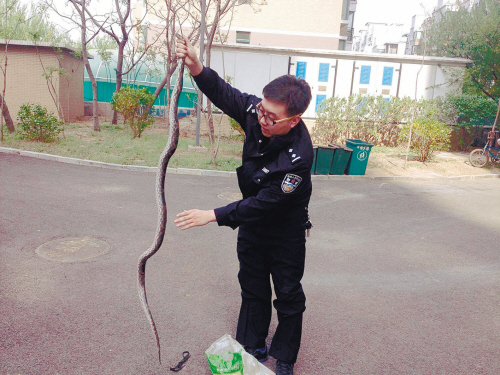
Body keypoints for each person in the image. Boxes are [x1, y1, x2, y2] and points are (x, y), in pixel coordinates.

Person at [174, 37, 313, 375]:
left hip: (285, 229)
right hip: (253, 226)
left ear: (292, 120)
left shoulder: (298, 158)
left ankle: (284, 357)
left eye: (271, 117)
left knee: (288, 294)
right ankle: (251, 344)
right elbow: (225, 94)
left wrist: (213, 215)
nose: (261, 119)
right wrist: (196, 65)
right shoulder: (257, 113)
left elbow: (265, 204)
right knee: (252, 286)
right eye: (262, 110)